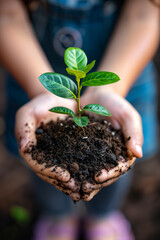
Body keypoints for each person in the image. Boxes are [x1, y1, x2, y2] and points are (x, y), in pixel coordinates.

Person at [0, 0, 159, 239]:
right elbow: (7, 14)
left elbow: (145, 12)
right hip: (33, 74)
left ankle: (103, 217)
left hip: (125, 76)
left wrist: (111, 91)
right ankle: (57, 216)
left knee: (119, 158)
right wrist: (45, 93)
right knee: (46, 166)